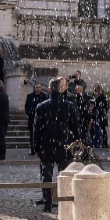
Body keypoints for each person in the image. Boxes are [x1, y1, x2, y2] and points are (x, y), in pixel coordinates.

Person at [31, 76, 76, 210]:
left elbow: (37, 129)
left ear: (49, 89)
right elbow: (75, 128)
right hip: (65, 145)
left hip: (47, 145)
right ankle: (65, 201)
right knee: (64, 175)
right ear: (61, 89)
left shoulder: (42, 106)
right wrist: (76, 143)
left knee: (46, 175)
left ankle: (47, 202)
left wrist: (36, 147)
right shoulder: (69, 105)